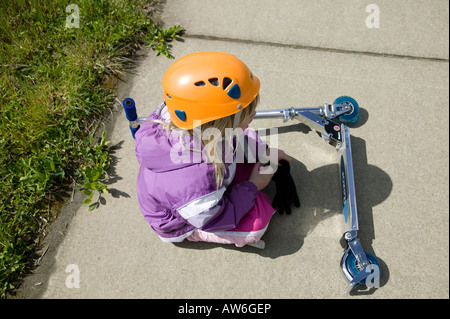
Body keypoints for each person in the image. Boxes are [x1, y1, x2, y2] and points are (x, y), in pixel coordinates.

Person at [135, 51, 291, 249]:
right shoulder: (193, 183)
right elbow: (215, 218)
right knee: (257, 224)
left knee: (252, 148)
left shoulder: (183, 116)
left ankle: (237, 179)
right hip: (187, 218)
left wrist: (262, 151)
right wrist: (253, 185)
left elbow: (235, 138)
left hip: (201, 178)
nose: (254, 116)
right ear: (217, 125)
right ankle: (195, 235)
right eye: (248, 114)